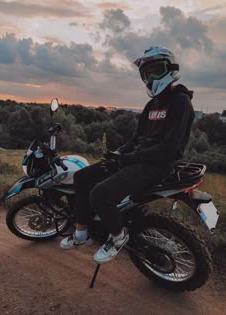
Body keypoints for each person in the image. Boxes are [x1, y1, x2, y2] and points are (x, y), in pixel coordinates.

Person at [60, 45, 195, 264]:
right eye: (147, 72)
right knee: (81, 177)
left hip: (157, 165)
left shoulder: (181, 102)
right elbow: (136, 138)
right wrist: (119, 152)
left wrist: (128, 158)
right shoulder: (152, 104)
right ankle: (81, 234)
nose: (151, 76)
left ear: (170, 68)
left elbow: (169, 148)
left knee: (100, 194)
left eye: (156, 70)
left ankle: (117, 236)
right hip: (137, 159)